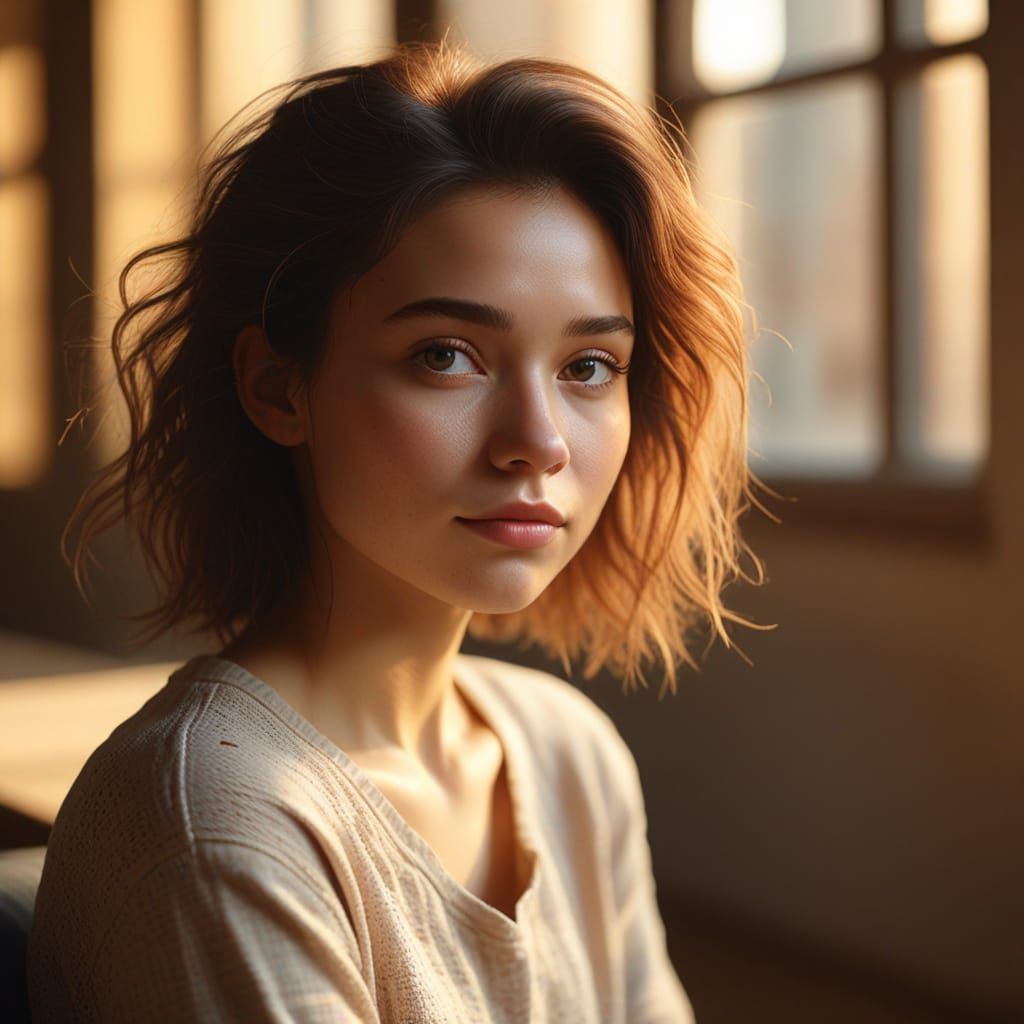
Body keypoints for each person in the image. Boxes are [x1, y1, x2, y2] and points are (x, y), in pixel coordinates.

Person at [27, 37, 771, 1023]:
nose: (539, 442)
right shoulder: (214, 815)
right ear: (276, 385)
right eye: (447, 354)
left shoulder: (567, 754)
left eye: (588, 367)